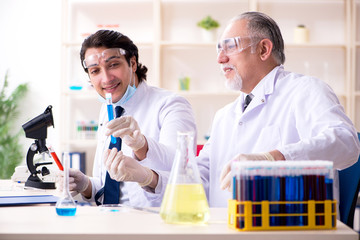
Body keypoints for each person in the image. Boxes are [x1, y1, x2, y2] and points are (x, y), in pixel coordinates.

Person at [194, 11, 360, 207]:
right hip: (224, 230)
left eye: (230, 47)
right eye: (219, 49)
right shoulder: (224, 115)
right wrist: (151, 178)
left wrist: (273, 158)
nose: (220, 59)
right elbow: (201, 175)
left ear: (264, 49)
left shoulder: (305, 90)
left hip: (288, 231)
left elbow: (346, 143)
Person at [58, 29, 196, 207]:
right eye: (95, 71)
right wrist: (86, 185)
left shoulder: (171, 105)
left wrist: (142, 146)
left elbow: (181, 172)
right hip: (109, 220)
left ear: (132, 63)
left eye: (113, 65)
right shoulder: (108, 110)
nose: (106, 78)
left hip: (152, 223)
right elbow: (112, 185)